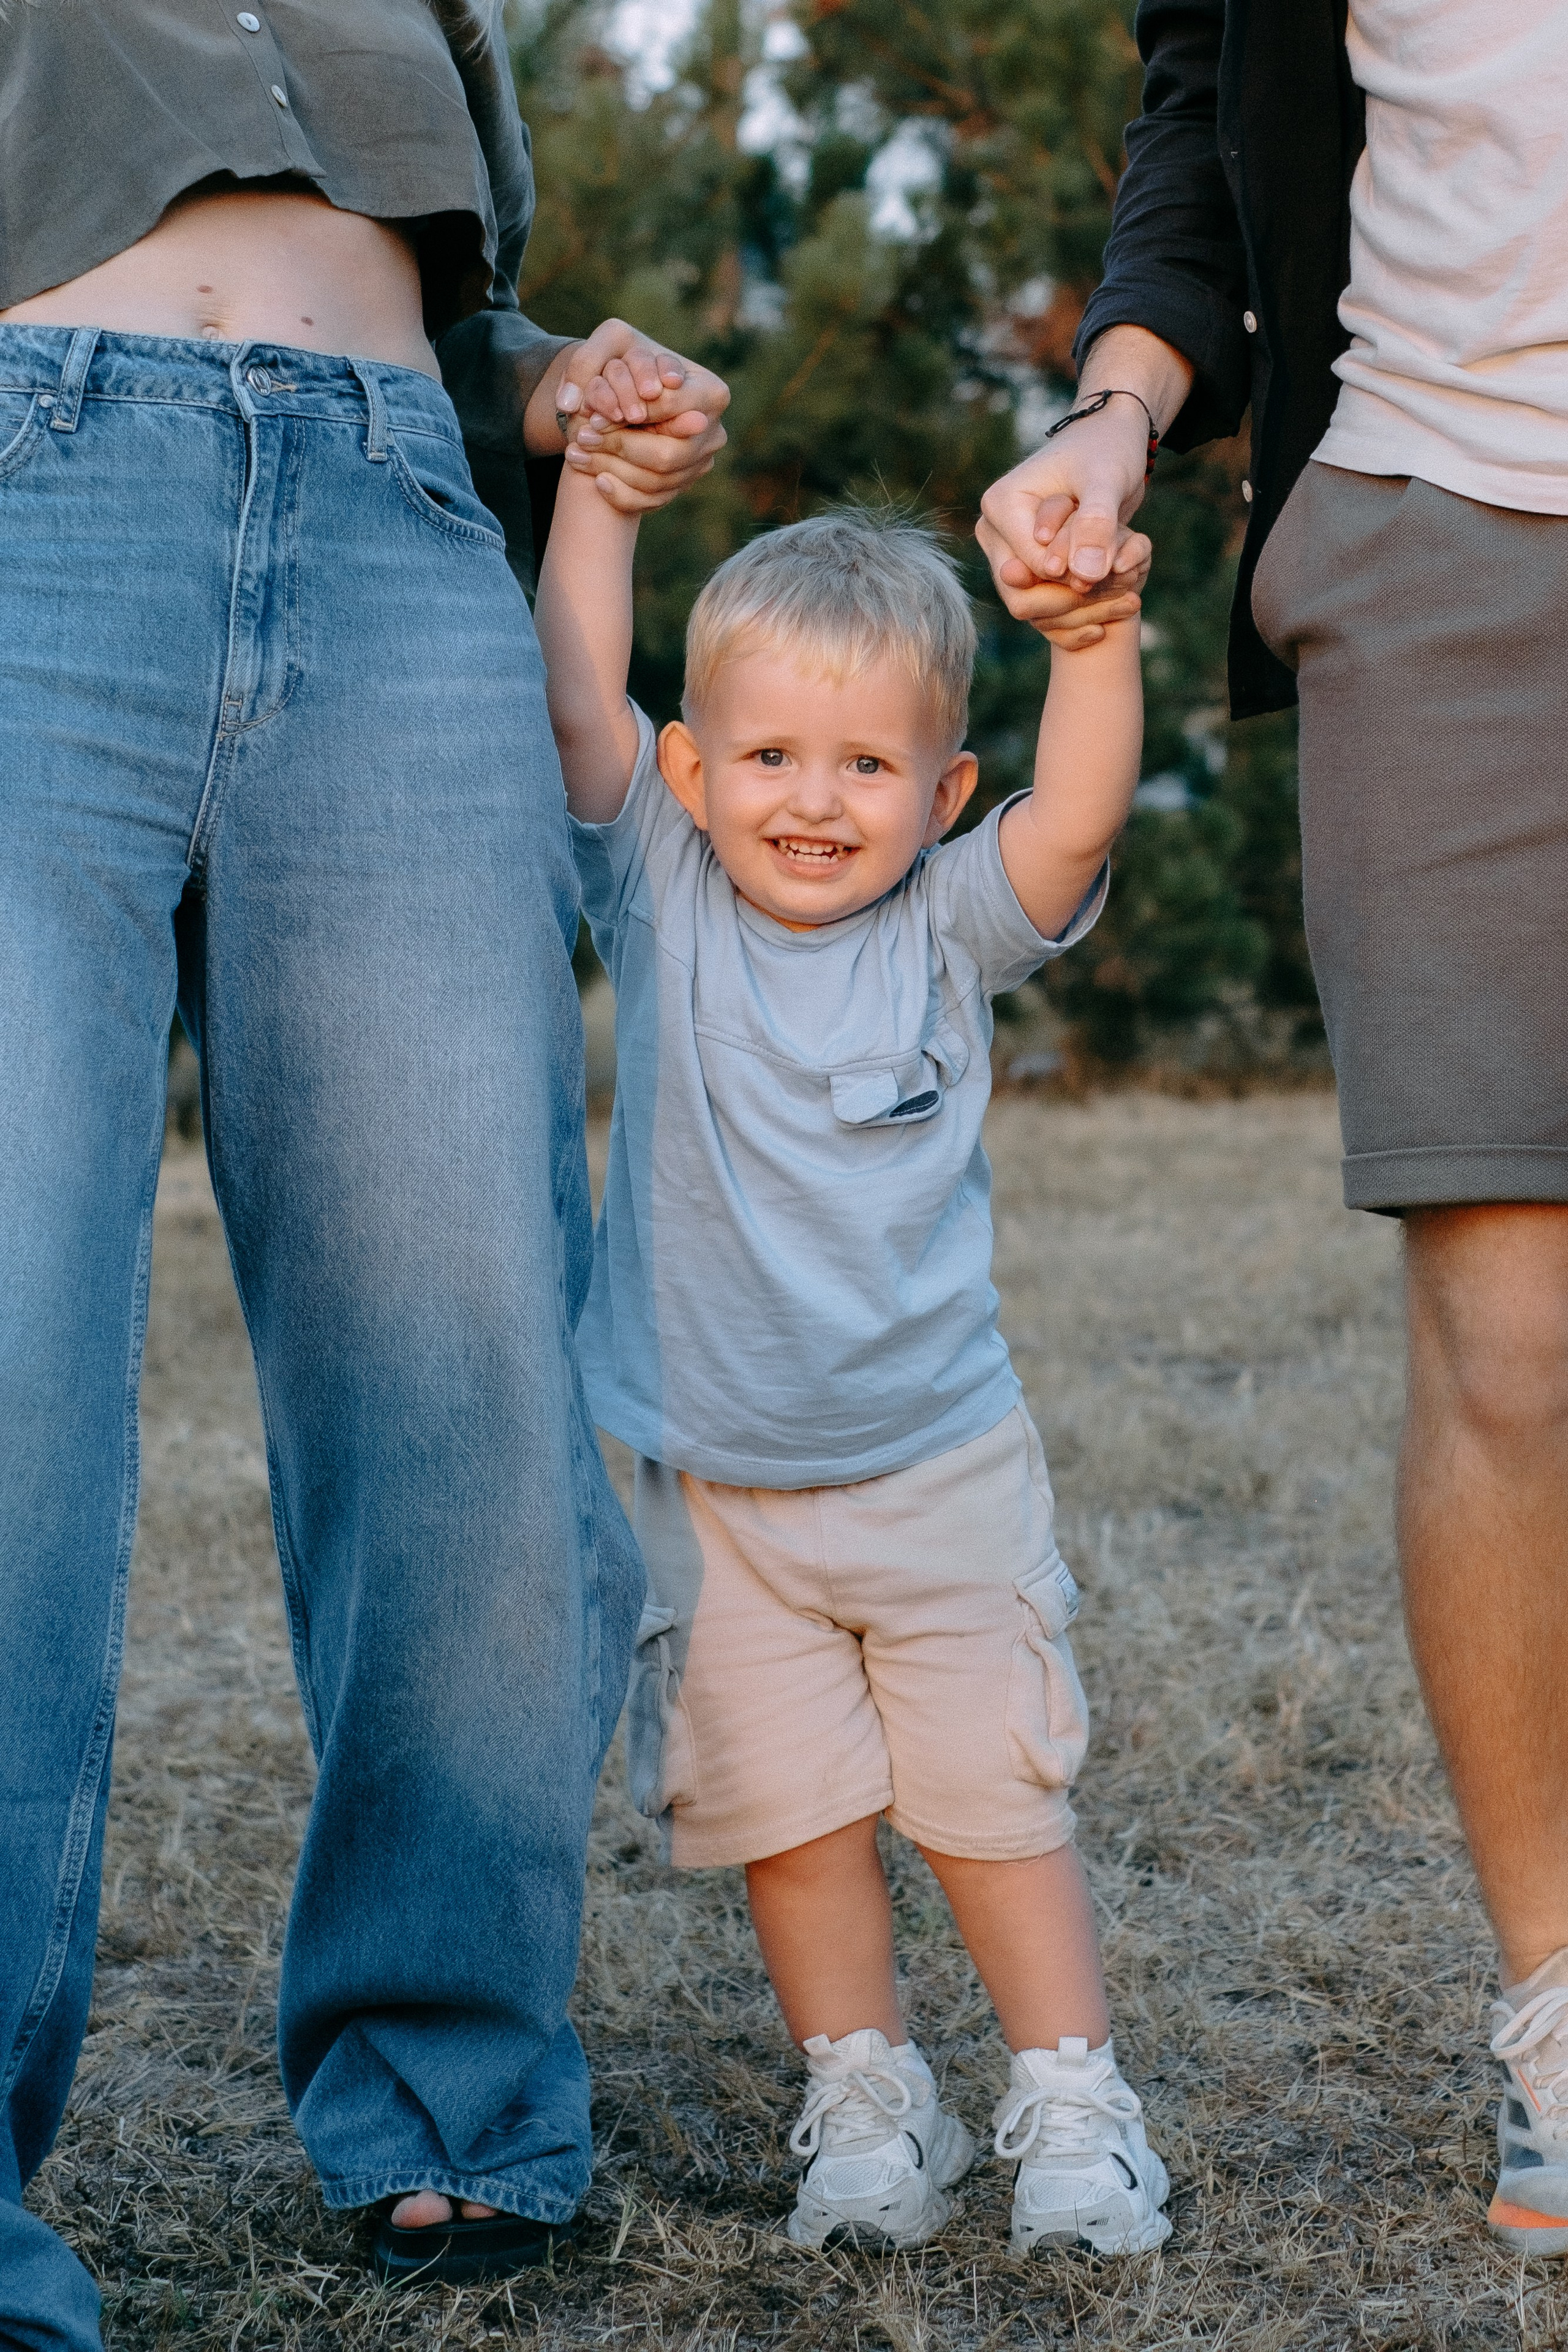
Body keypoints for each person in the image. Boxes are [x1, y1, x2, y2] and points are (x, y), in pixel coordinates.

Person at [0, 4, 731, 2337]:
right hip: (30, 504)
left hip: (401, 527)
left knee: (467, 1354)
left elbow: (454, 287)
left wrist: (555, 386)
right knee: (8, 1354)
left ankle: (450, 2085)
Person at [974, 0, 1568, 2261]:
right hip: (1439, 535)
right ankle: (1559, 2004)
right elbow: (1209, 114)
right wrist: (1120, 407)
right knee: (1511, 1336)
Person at [531, 445, 1171, 2254]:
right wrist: (603, 500)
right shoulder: (659, 889)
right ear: (691, 773)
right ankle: (870, 2095)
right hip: (715, 1491)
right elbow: (577, 693)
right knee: (791, 1815)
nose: (814, 801)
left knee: (991, 1798)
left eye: (870, 766)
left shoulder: (947, 923)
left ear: (942, 789)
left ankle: (1072, 2101)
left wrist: (1094, 643)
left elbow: (1079, 821)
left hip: (936, 1470)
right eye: (770, 759)